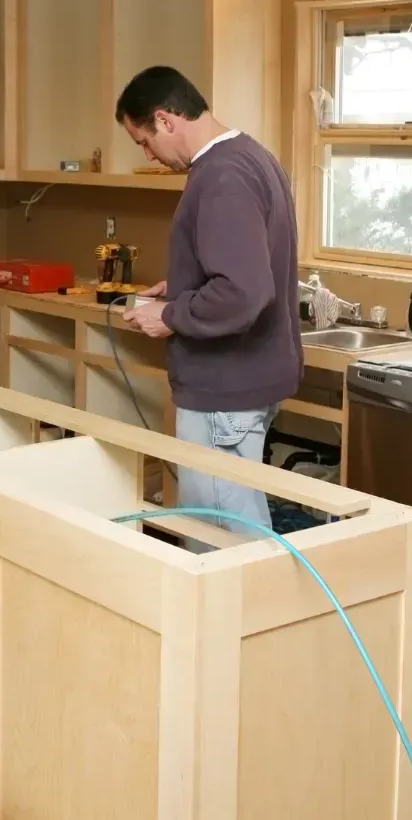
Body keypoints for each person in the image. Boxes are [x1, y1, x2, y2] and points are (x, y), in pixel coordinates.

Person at [116, 65, 301, 534]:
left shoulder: (222, 176)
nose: (150, 155)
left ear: (165, 120)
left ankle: (254, 611)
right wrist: (179, 285)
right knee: (235, 525)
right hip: (246, 378)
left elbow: (244, 290)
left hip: (224, 389)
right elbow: (242, 266)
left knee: (221, 539)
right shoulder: (252, 156)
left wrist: (172, 315)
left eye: (143, 141)